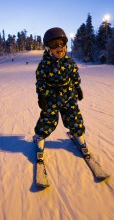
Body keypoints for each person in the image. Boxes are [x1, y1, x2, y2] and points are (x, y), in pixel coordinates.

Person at [33, 27, 89, 162]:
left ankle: (78, 136)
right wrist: (41, 96)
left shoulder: (69, 62)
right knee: (48, 119)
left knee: (74, 117)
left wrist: (78, 87)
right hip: (51, 97)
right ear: (48, 48)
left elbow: (75, 75)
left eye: (61, 44)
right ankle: (40, 137)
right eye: (54, 45)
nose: (59, 48)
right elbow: (40, 81)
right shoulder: (44, 64)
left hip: (69, 96)